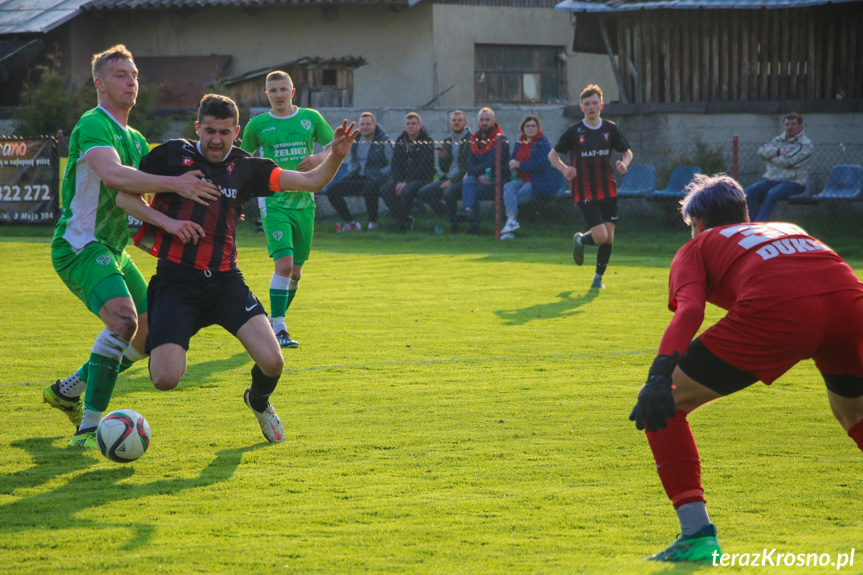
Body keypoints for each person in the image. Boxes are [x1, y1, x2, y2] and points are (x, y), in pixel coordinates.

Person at [629, 173, 863, 563]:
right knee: (854, 413)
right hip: (850, 305)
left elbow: (690, 311)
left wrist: (658, 375)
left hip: (781, 311)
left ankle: (696, 536)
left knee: (666, 403)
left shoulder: (699, 244)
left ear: (698, 223)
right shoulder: (786, 228)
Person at [117, 94, 357, 443]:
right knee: (165, 379)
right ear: (198, 127)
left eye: (225, 132)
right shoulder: (170, 155)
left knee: (274, 362)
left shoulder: (247, 167)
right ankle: (95, 377)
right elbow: (125, 195)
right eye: (210, 131)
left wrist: (335, 154)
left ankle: (258, 401)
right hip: (177, 281)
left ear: (237, 132)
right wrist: (167, 222)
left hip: (226, 283)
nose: (216, 139)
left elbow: (311, 182)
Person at [44, 45, 220, 448]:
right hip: (79, 245)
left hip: (114, 248)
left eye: (135, 75)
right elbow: (114, 176)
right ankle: (89, 428)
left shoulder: (136, 139)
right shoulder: (93, 124)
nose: (131, 81)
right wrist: (176, 185)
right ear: (100, 84)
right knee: (124, 321)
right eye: (121, 74)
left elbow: (138, 201)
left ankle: (68, 390)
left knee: (148, 339)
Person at [240, 71, 334, 349]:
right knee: (284, 265)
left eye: (283, 89)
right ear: (266, 94)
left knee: (296, 272)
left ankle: (272, 322)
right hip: (274, 202)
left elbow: (335, 148)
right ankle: (278, 328)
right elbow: (244, 162)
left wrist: (319, 157)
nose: (278, 94)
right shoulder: (257, 125)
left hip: (305, 202)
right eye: (273, 90)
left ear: (293, 93)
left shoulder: (311, 118)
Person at [549, 84, 632, 289]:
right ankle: (581, 240)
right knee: (601, 236)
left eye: (595, 103)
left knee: (609, 237)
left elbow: (627, 152)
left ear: (601, 105)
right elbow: (553, 156)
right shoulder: (574, 131)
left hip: (608, 188)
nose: (591, 107)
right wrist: (564, 169)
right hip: (584, 190)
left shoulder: (610, 129)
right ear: (581, 108)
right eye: (587, 104)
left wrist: (625, 164)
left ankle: (597, 279)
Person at [323, 111, 393, 232]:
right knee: (332, 190)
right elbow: (354, 161)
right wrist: (351, 172)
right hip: (358, 178)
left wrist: (380, 173)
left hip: (377, 179)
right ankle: (350, 222)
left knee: (369, 191)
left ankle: (373, 222)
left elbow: (393, 164)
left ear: (374, 125)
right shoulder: (355, 140)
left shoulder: (385, 141)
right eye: (362, 124)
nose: (365, 127)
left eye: (368, 124)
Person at [744, 113, 814, 222]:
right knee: (748, 193)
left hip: (794, 182)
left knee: (772, 194)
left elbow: (788, 161)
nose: (790, 127)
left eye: (793, 124)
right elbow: (761, 152)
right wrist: (778, 152)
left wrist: (770, 157)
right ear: (784, 126)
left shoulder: (806, 145)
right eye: (787, 124)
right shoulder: (777, 140)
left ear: (800, 126)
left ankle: (759, 225)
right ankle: (753, 224)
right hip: (772, 179)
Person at [500, 115, 558, 238]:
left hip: (537, 181)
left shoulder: (543, 142)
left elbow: (543, 164)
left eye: (533, 126)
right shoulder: (519, 142)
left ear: (538, 128)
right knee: (508, 187)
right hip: (521, 179)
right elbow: (513, 159)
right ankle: (511, 222)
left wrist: (519, 165)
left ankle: (510, 229)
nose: (531, 128)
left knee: (512, 198)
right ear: (523, 128)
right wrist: (511, 163)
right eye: (528, 126)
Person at [379, 112, 436, 231]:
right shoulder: (401, 140)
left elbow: (424, 166)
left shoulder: (427, 141)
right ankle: (404, 219)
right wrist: (399, 181)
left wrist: (407, 182)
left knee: (406, 191)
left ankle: (403, 223)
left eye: (413, 123)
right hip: (403, 179)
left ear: (419, 125)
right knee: (385, 189)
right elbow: (395, 164)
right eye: (408, 124)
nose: (410, 126)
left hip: (422, 179)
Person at [457, 107, 510, 234]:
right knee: (467, 182)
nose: (484, 123)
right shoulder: (474, 140)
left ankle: (473, 224)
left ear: (493, 121)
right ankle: (468, 215)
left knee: (473, 187)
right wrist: (479, 175)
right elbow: (469, 164)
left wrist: (476, 173)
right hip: (479, 179)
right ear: (478, 122)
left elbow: (491, 163)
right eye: (482, 120)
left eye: (487, 120)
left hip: (497, 179)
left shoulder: (501, 139)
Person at [415, 110, 471, 223]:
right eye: (454, 120)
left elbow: (469, 166)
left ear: (465, 123)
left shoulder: (472, 140)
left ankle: (454, 224)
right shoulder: (447, 141)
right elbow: (444, 169)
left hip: (463, 178)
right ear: (450, 123)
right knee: (423, 192)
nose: (457, 123)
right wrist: (442, 158)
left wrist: (452, 181)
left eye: (460, 120)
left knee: (448, 193)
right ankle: (447, 214)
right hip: (448, 177)